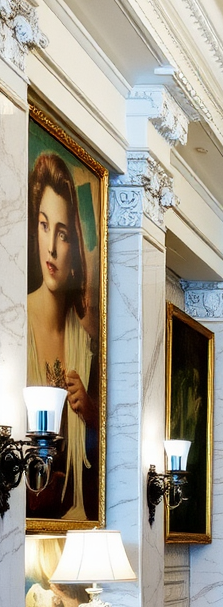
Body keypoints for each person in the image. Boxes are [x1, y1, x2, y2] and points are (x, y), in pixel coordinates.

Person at [26, 151, 100, 521]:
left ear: (75, 246)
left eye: (63, 233)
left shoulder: (86, 347)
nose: (51, 248)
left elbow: (104, 461)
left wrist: (89, 412)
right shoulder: (15, 327)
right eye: (43, 226)